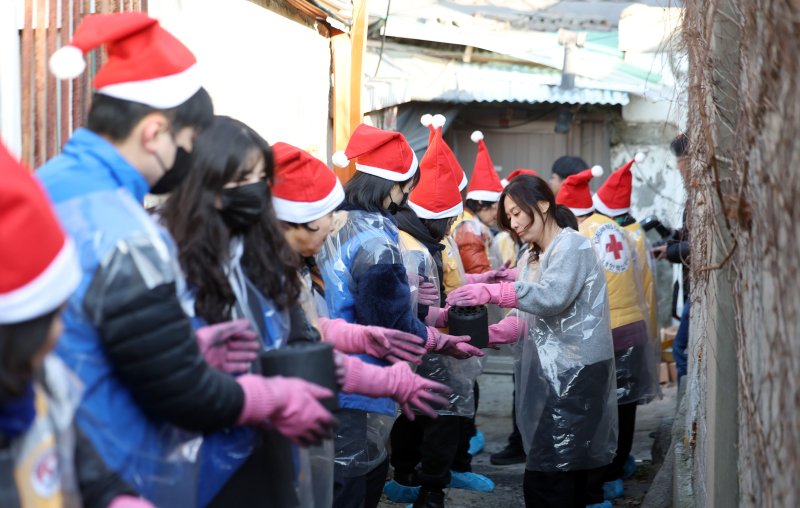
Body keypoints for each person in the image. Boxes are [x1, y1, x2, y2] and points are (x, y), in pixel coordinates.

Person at [38, 14, 334, 506]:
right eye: (188, 144)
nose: (188, 161)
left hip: (48, 461)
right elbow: (179, 390)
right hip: (112, 470)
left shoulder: (46, 187)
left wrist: (186, 344)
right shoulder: (125, 230)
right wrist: (271, 398)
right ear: (154, 132)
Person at [321, 124, 483, 508]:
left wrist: (417, 304)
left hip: (324, 369)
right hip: (361, 381)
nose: (407, 195)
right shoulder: (378, 240)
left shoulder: (335, 223)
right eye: (406, 186)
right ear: (391, 185)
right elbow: (387, 323)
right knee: (358, 480)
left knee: (333, 478)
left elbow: (354, 298)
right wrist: (438, 337)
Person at [446, 174, 617, 508]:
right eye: (508, 217)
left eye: (516, 213)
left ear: (542, 204)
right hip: (559, 367)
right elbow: (530, 314)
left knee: (553, 465)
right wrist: (492, 333)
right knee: (559, 459)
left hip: (578, 368)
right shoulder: (536, 253)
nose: (513, 223)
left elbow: (552, 298)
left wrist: (493, 291)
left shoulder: (572, 245)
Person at [0, 141, 153, 508]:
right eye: (47, 320)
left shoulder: (39, 384)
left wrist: (111, 495)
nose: (58, 333)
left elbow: (72, 455)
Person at [386, 119, 492, 508]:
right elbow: (414, 308)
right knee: (434, 415)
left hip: (436, 341)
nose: (451, 226)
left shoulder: (428, 237)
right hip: (428, 343)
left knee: (421, 412)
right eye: (447, 219)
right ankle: (427, 487)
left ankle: (411, 476)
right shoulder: (413, 247)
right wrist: (444, 314)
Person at [556, 167, 656, 500]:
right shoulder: (621, 230)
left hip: (602, 333)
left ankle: (595, 484)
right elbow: (646, 284)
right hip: (634, 329)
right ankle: (615, 474)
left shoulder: (577, 236)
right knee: (625, 406)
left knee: (596, 412)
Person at [651, 134, 690, 381]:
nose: (679, 166)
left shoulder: (703, 193)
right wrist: (671, 238)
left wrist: (672, 251)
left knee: (680, 348)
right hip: (691, 289)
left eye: (682, 159)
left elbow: (701, 247)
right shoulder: (696, 195)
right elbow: (689, 236)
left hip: (697, 293)